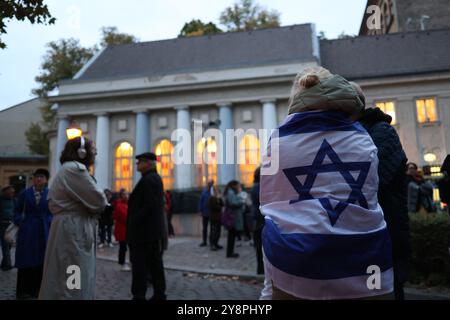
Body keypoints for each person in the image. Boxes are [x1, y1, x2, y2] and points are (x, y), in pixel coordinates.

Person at [260, 67, 394, 299]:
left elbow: (273, 206)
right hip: (366, 261)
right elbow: (369, 197)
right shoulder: (361, 137)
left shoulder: (280, 140)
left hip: (296, 265)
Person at [352, 83, 411, 300]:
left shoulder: (381, 131)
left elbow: (371, 181)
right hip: (366, 234)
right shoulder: (355, 133)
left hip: (386, 232)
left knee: (387, 290)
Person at [39, 137, 107, 300]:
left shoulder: (68, 169)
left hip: (70, 227)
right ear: (81, 152)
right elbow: (99, 201)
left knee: (66, 272)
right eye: (92, 149)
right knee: (73, 275)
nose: (95, 153)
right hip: (74, 229)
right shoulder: (75, 169)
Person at [127, 152, 167, 300]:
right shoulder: (152, 178)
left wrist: (134, 221)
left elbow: (151, 205)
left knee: (140, 267)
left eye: (140, 162)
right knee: (154, 264)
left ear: (148, 164)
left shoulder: (149, 180)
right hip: (150, 232)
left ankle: (139, 295)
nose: (137, 164)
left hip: (143, 233)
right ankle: (159, 294)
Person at [14, 169, 52, 299]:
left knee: (40, 261)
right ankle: (22, 291)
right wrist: (20, 221)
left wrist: (48, 222)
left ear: (46, 180)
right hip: (27, 231)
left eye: (41, 177)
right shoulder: (25, 193)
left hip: (42, 231)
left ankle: (37, 290)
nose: (38, 179)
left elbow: (52, 212)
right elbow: (16, 210)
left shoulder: (49, 194)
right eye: (36, 177)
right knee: (25, 260)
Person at [224, 180, 245, 258]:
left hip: (232, 216)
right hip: (232, 217)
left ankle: (230, 252)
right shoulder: (231, 192)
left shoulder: (231, 192)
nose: (239, 187)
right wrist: (241, 201)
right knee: (231, 236)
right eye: (238, 185)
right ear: (234, 185)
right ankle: (230, 253)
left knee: (231, 236)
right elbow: (233, 202)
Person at [251, 167, 264, 275]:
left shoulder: (257, 186)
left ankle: (261, 269)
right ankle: (260, 270)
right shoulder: (257, 187)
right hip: (259, 220)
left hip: (259, 219)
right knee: (260, 247)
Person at [113, 189, 130, 271]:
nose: (126, 196)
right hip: (122, 230)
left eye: (127, 194)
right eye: (124, 194)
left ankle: (126, 262)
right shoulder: (119, 205)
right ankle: (122, 263)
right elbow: (126, 217)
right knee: (123, 247)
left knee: (126, 247)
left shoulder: (126, 204)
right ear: (121, 196)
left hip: (126, 229)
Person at [0, 185, 15, 271]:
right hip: (3, 225)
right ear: (5, 192)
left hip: (11, 225)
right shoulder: (1, 200)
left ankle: (3, 263)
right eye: (10, 192)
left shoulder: (14, 200)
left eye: (13, 192)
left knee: (9, 245)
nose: (12, 193)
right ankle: (8, 265)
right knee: (5, 245)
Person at [208, 186, 224, 251]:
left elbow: (222, 204)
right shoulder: (211, 198)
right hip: (214, 218)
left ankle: (216, 243)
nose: (217, 192)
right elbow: (215, 207)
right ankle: (212, 244)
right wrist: (219, 207)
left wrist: (220, 199)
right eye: (216, 191)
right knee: (214, 231)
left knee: (218, 231)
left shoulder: (217, 198)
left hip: (218, 217)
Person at [198, 180, 214, 247]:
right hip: (205, 212)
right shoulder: (204, 191)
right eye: (209, 184)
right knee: (205, 228)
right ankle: (204, 241)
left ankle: (211, 241)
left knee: (212, 228)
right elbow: (201, 201)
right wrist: (200, 210)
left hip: (211, 212)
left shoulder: (213, 192)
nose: (209, 185)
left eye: (211, 184)